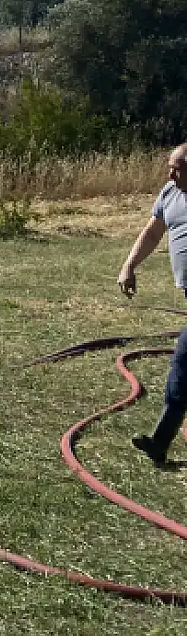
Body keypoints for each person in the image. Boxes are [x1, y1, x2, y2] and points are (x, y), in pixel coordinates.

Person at [119, 142, 187, 466]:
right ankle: (159, 444)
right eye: (170, 166)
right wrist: (129, 267)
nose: (171, 172)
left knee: (182, 370)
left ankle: (159, 443)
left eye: (178, 166)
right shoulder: (170, 194)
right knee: (182, 373)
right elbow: (152, 232)